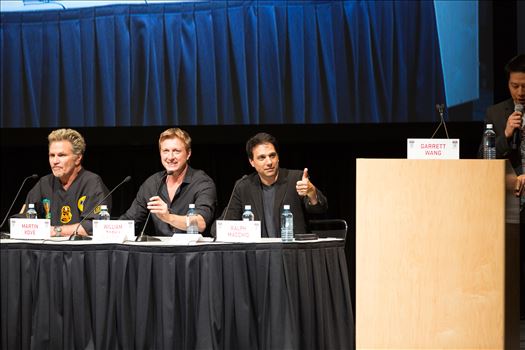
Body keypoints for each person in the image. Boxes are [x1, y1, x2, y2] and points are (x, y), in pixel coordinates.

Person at [482, 53, 525, 319]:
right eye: (514, 86)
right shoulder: (496, 114)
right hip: (507, 200)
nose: (520, 93)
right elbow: (482, 159)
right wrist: (505, 135)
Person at [218, 132, 327, 237]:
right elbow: (224, 224)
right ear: (251, 162)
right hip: (259, 254)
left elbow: (319, 210)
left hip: (292, 252)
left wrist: (312, 193)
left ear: (278, 157)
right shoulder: (244, 186)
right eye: (262, 157)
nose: (269, 162)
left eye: (272, 155)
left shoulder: (296, 179)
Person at [120, 128, 216, 236]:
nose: (170, 157)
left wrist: (168, 217)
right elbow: (130, 220)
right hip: (161, 251)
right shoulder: (152, 184)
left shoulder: (202, 182)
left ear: (188, 153)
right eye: (166, 151)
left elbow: (201, 223)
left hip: (193, 251)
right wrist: (106, 230)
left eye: (176, 151)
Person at [21, 128, 111, 237]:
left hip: (81, 250)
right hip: (48, 251)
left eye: (61, 155)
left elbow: (94, 226)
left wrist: (55, 231)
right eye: (52, 155)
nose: (55, 161)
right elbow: (25, 219)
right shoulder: (44, 183)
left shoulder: (92, 183)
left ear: (78, 158)